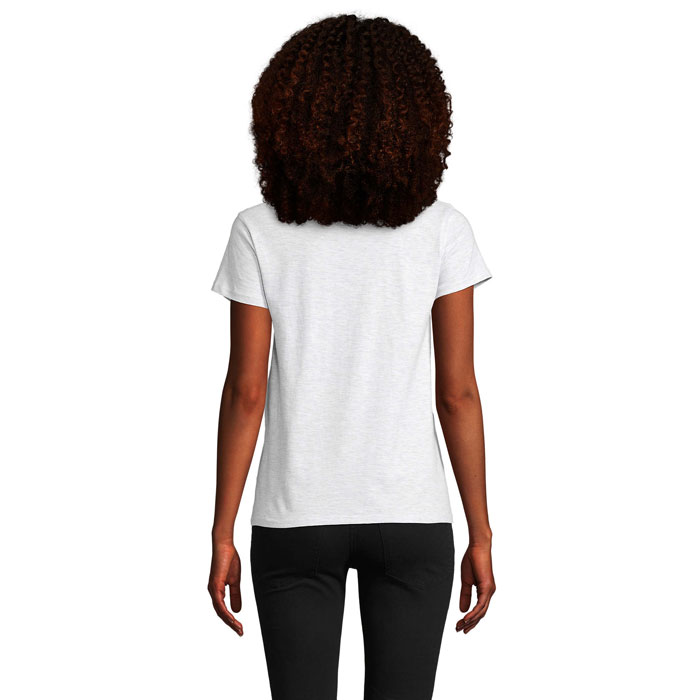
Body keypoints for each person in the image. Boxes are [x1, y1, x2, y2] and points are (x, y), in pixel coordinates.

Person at [208, 13, 495, 700]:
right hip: (411, 514)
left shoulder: (258, 230)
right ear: (419, 117)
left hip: (294, 515)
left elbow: (247, 392)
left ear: (287, 113)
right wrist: (481, 533)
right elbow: (457, 393)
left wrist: (222, 532)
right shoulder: (443, 230)